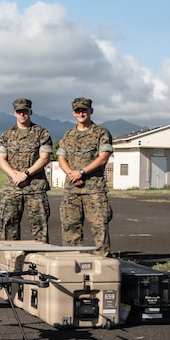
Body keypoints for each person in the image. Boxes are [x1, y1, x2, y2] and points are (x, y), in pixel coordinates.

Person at [57, 96, 114, 256]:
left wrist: (81, 172)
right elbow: (61, 158)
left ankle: (103, 261)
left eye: (84, 110)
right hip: (72, 189)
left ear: (91, 111)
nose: (81, 114)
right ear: (73, 113)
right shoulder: (68, 135)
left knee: (99, 226)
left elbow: (103, 158)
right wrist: (71, 174)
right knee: (70, 227)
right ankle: (72, 260)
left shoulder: (101, 133)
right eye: (78, 111)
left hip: (94, 189)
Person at [0, 97, 53, 243]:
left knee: (40, 227)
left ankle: (41, 256)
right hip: (13, 187)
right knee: (9, 226)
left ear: (30, 112)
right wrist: (13, 175)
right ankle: (11, 256)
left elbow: (44, 158)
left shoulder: (41, 133)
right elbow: (1, 159)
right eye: (19, 111)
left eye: (25, 111)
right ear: (14, 113)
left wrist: (25, 174)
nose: (22, 114)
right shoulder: (6, 135)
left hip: (35, 188)